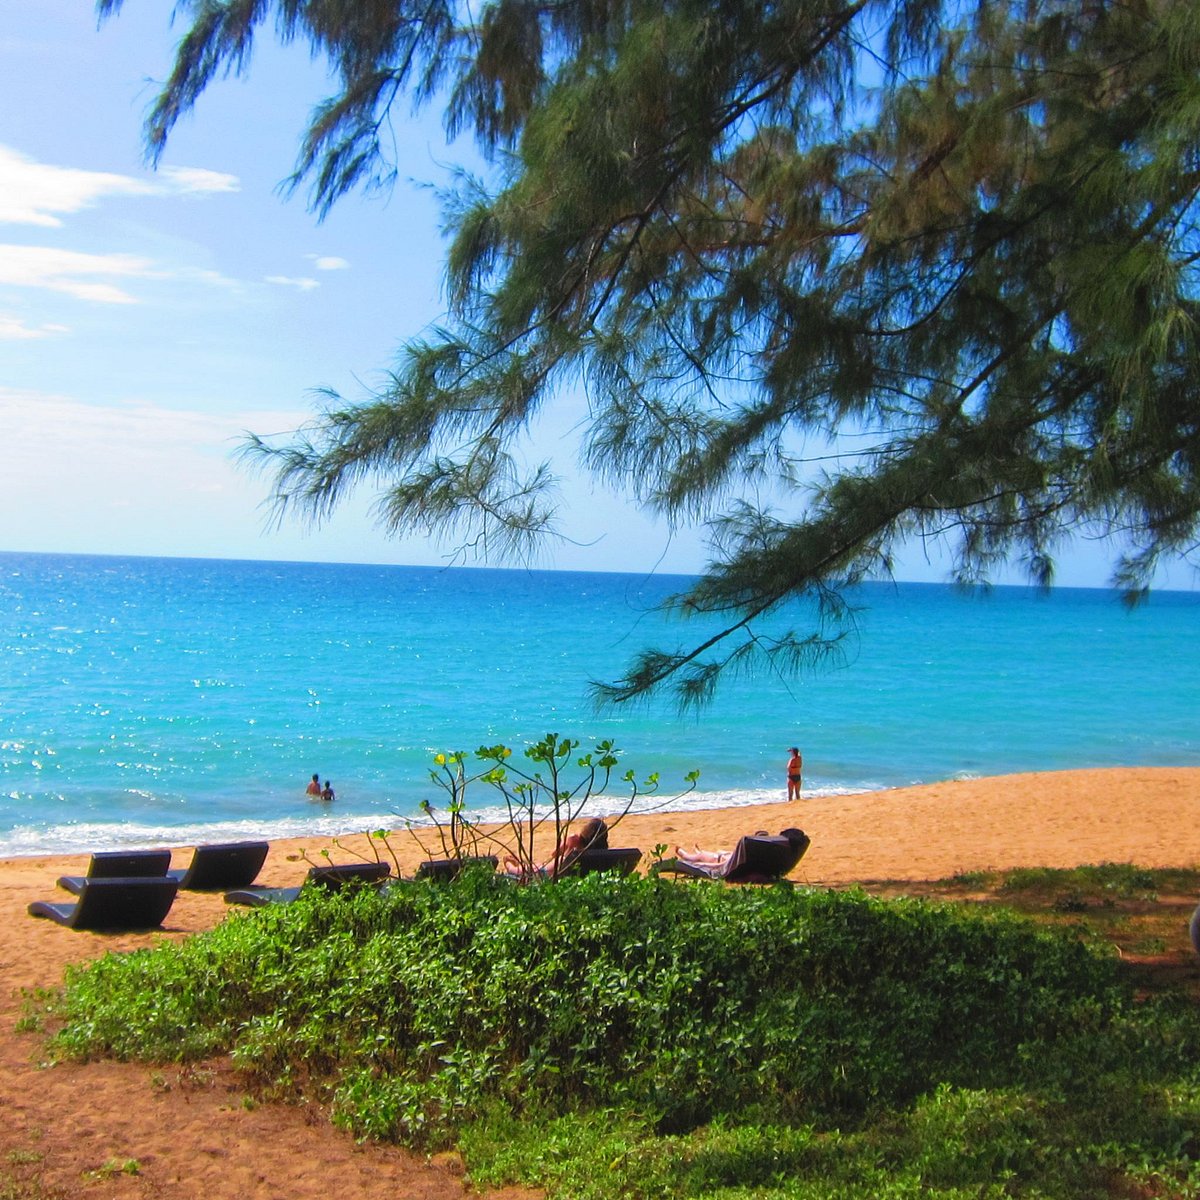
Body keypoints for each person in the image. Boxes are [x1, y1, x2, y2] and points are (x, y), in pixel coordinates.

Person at [504, 817, 608, 879]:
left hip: (544, 874)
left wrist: (570, 843)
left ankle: (512, 863)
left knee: (508, 864)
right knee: (534, 865)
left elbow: (554, 854)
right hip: (546, 870)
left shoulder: (574, 842)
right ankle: (519, 862)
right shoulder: (603, 856)